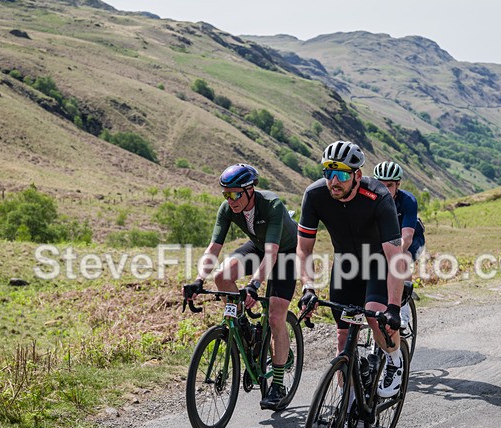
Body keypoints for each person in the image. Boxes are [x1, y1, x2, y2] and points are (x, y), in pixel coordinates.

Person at [297, 140, 407, 401]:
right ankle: (347, 403)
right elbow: (304, 250)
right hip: (346, 266)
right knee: (342, 335)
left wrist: (393, 307)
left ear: (357, 175)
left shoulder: (378, 196)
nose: (333, 181)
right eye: (328, 173)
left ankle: (394, 359)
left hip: (379, 263)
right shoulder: (315, 195)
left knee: (376, 316)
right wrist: (308, 287)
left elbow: (396, 258)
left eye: (342, 174)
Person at [182, 163, 297, 410]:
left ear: (250, 190)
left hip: (285, 252)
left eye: (235, 194)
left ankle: (277, 385)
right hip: (258, 246)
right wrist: (198, 280)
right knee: (221, 276)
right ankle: (245, 328)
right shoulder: (228, 208)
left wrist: (254, 285)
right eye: (226, 193)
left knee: (276, 317)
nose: (230, 199)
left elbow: (272, 253)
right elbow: (213, 249)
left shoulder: (273, 205)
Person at [372, 161, 425, 331]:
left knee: (401, 260)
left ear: (398, 185)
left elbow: (407, 237)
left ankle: (403, 311)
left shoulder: (408, 200)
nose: (385, 189)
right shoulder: (370, 200)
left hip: (411, 240)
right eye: (380, 185)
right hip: (386, 240)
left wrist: (392, 256)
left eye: (389, 185)